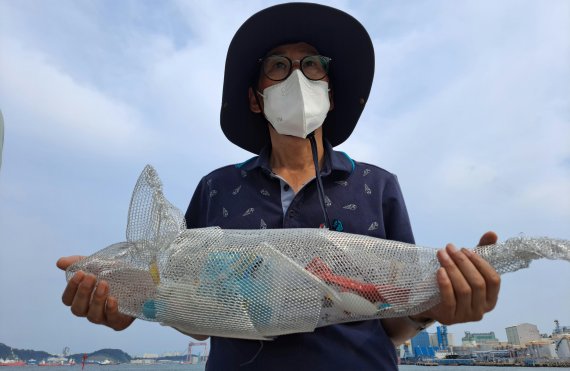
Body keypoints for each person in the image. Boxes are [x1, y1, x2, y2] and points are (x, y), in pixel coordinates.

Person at [57, 3, 501, 370]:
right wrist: (133, 302)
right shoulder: (217, 188)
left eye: (311, 64)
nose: (297, 77)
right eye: (278, 66)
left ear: (329, 88)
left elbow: (394, 320)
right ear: (255, 97)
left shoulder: (377, 186)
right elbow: (196, 317)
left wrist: (435, 309)